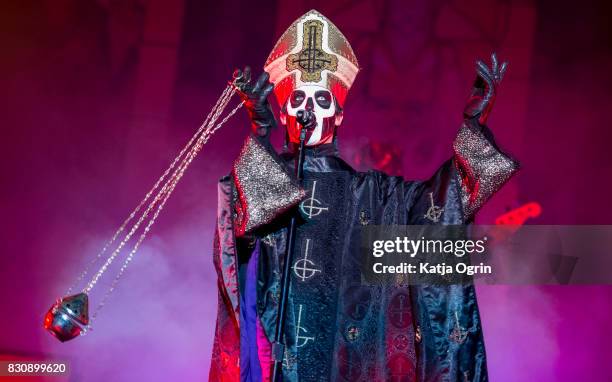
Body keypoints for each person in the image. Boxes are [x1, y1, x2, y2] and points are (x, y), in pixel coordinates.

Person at [209, 9, 517, 382]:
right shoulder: (267, 186)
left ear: (339, 114)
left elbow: (446, 204)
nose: (308, 111)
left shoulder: (375, 196)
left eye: (321, 100)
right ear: (284, 109)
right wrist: (259, 133)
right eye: (298, 100)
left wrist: (473, 127)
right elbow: (240, 234)